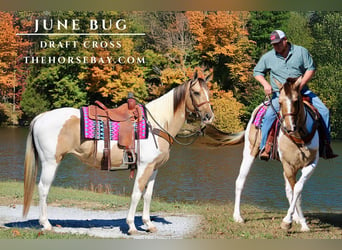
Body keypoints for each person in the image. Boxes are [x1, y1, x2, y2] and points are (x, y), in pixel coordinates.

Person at [253, 30, 337, 160]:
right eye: (274, 44)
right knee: (269, 115)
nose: (276, 46)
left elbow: (311, 68)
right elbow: (257, 72)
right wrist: (265, 84)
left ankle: (326, 146)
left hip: (301, 91)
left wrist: (300, 85)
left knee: (324, 111)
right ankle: (265, 147)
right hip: (281, 94)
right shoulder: (268, 57)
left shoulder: (300, 52)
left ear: (285, 40)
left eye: (278, 43)